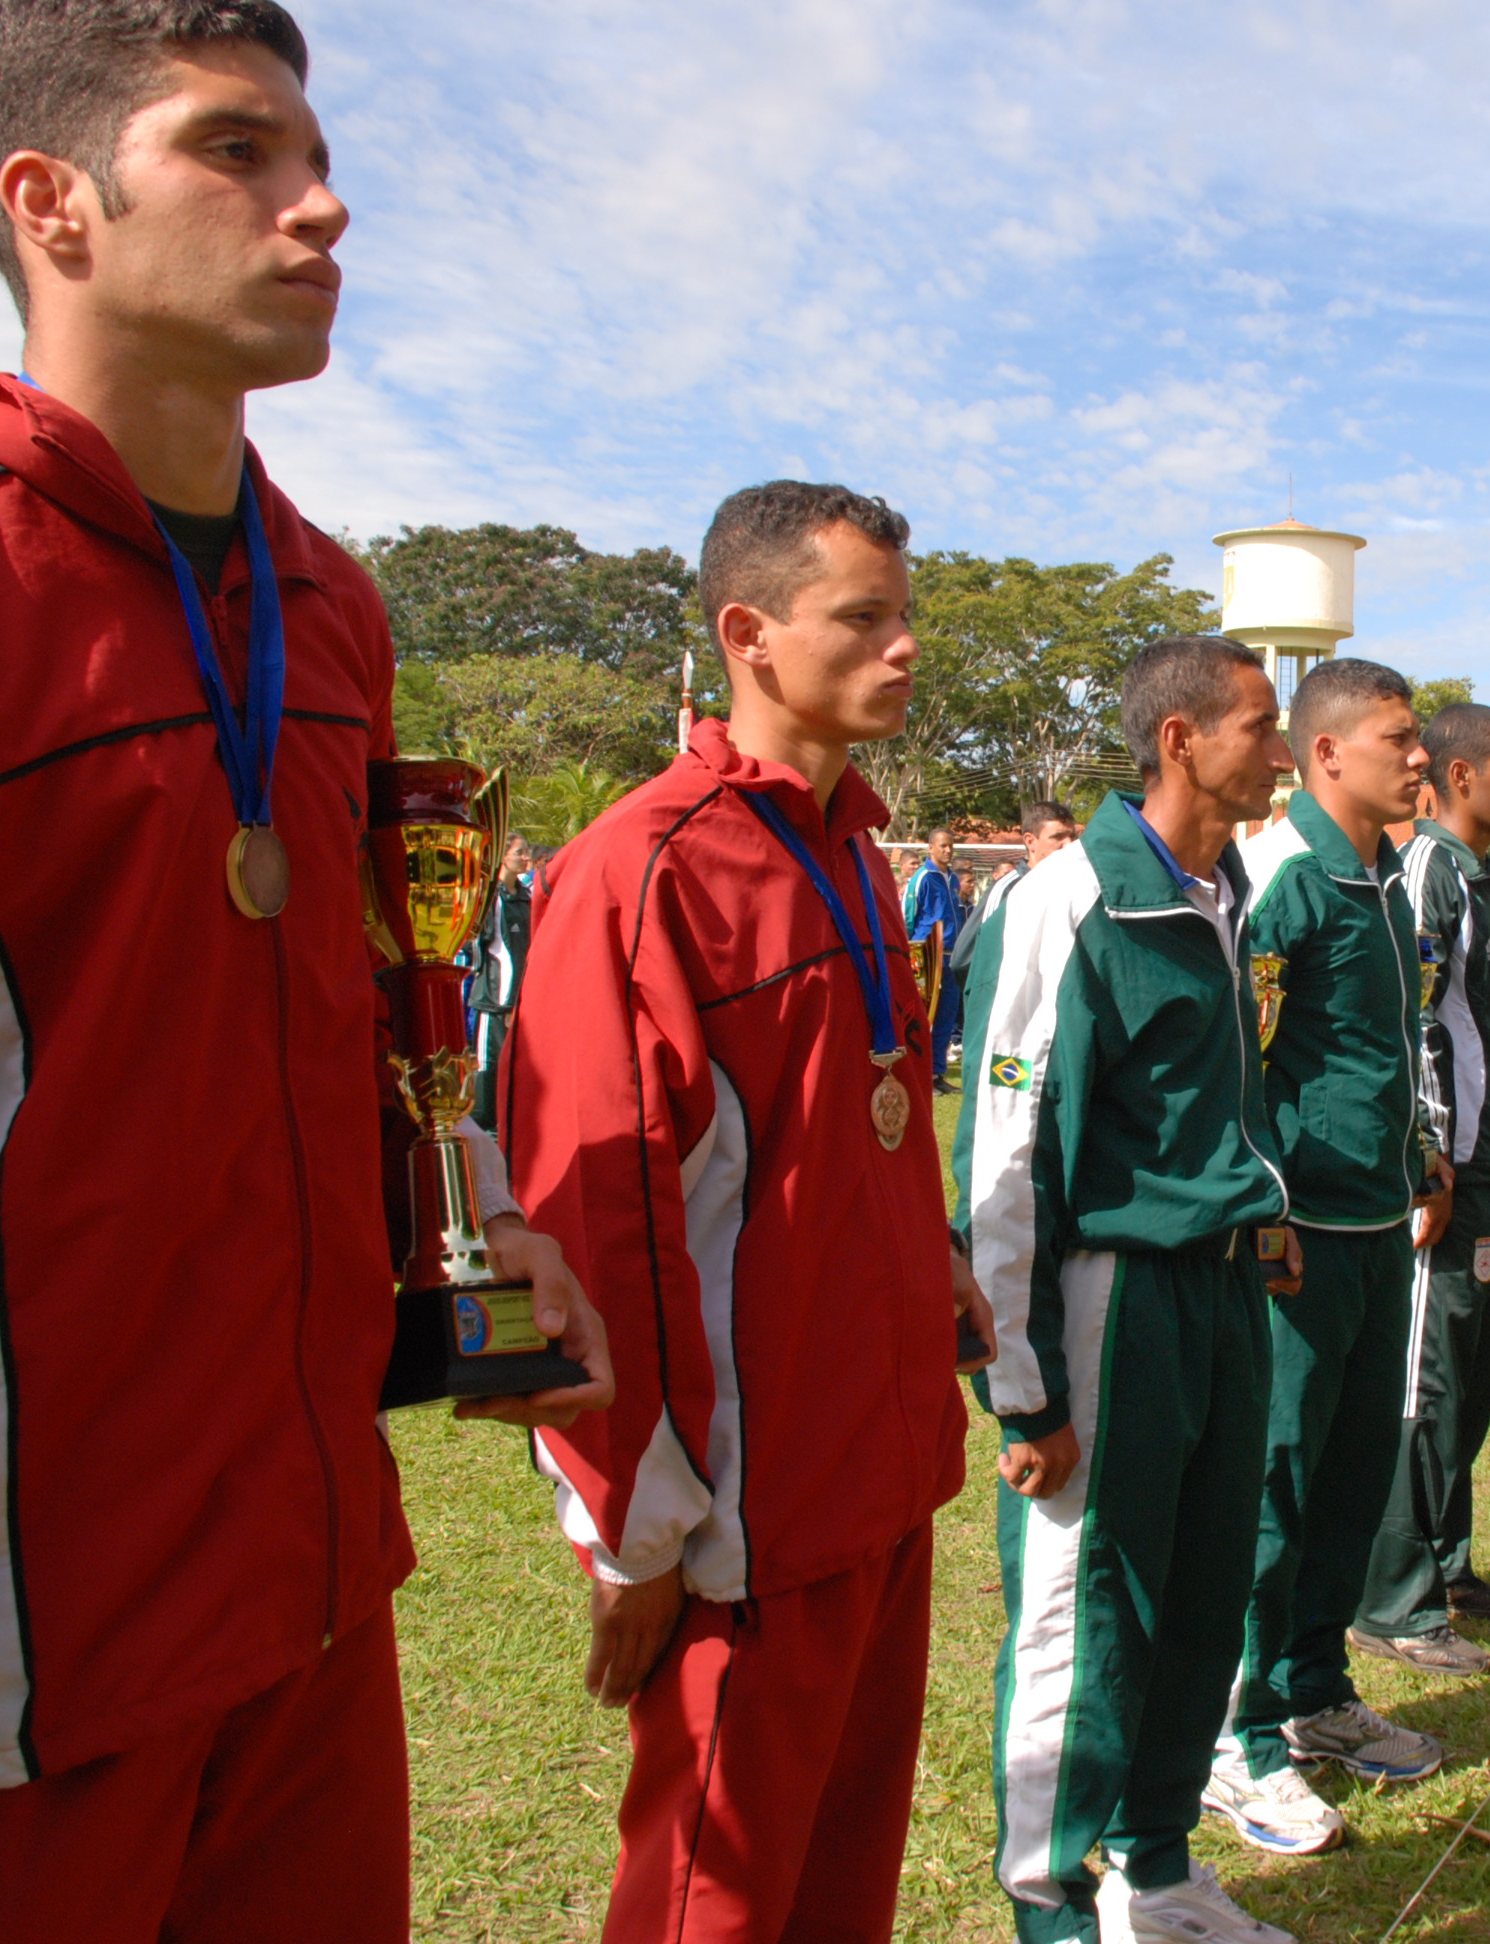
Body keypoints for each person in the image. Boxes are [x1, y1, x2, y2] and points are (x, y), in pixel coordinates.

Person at [0, 6, 611, 1936]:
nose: (324, 202)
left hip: (315, 1596)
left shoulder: (328, 601)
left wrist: (462, 1212)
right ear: (54, 205)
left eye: (314, 150)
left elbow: (360, 1002)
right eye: (236, 150)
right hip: (5, 1687)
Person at [503, 483, 992, 1942]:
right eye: (864, 618)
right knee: (712, 1906)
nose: (905, 648)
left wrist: (936, 1261)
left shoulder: (852, 846)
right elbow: (593, 1230)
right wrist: (636, 1539)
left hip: (882, 1474)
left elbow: (855, 1128)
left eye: (908, 617)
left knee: (841, 1889)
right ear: (749, 634)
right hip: (744, 1522)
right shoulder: (645, 868)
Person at [956, 635, 1301, 1943]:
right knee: (1085, 1611)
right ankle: (1052, 1902)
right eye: (1259, 727)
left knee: (1206, 1590)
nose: (1276, 753)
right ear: (1179, 739)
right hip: (1117, 1301)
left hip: (1223, 1300)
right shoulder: (1064, 901)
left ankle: (1158, 1877)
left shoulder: (1223, 893)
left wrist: (1259, 1204)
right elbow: (1007, 1158)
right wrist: (1024, 1390)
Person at [1209, 659, 1451, 1860]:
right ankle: (1230, 1733)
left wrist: (1419, 1148)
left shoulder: (1386, 882)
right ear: (1324, 756)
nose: (1420, 759)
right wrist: (1265, 1210)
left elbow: (1381, 1047)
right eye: (1400, 741)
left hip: (1376, 1227)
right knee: (1275, 1479)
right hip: (1296, 1239)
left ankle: (1311, 1696)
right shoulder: (1282, 881)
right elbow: (1242, 1066)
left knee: (1353, 1473)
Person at [1353, 702, 1490, 1674]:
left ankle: (1447, 1560)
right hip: (1450, 1175)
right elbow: (1409, 1022)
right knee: (1423, 1386)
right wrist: (1427, 1156)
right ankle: (1390, 1596)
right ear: (1460, 778)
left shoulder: (1485, 875)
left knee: (1470, 1381)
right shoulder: (1426, 870)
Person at [953, 800, 1079, 1000]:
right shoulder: (1009, 889)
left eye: (1073, 836)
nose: (1069, 845)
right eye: (1058, 837)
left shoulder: (1075, 887)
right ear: (1030, 841)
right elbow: (964, 961)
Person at [469, 835, 536, 1133]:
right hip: (494, 1003)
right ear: (503, 856)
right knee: (488, 1067)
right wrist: (507, 1002)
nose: (525, 858)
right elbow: (491, 950)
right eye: (519, 852)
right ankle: (485, 1131)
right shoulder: (489, 898)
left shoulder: (526, 896)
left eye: (526, 853)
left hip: (521, 1004)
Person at [905, 825, 967, 1084]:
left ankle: (937, 1073)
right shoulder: (922, 877)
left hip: (952, 955)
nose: (948, 850)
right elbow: (909, 915)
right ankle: (917, 1073)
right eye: (943, 845)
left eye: (951, 845)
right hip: (928, 954)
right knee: (924, 1015)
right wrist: (911, 950)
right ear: (930, 848)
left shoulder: (953, 879)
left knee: (946, 1016)